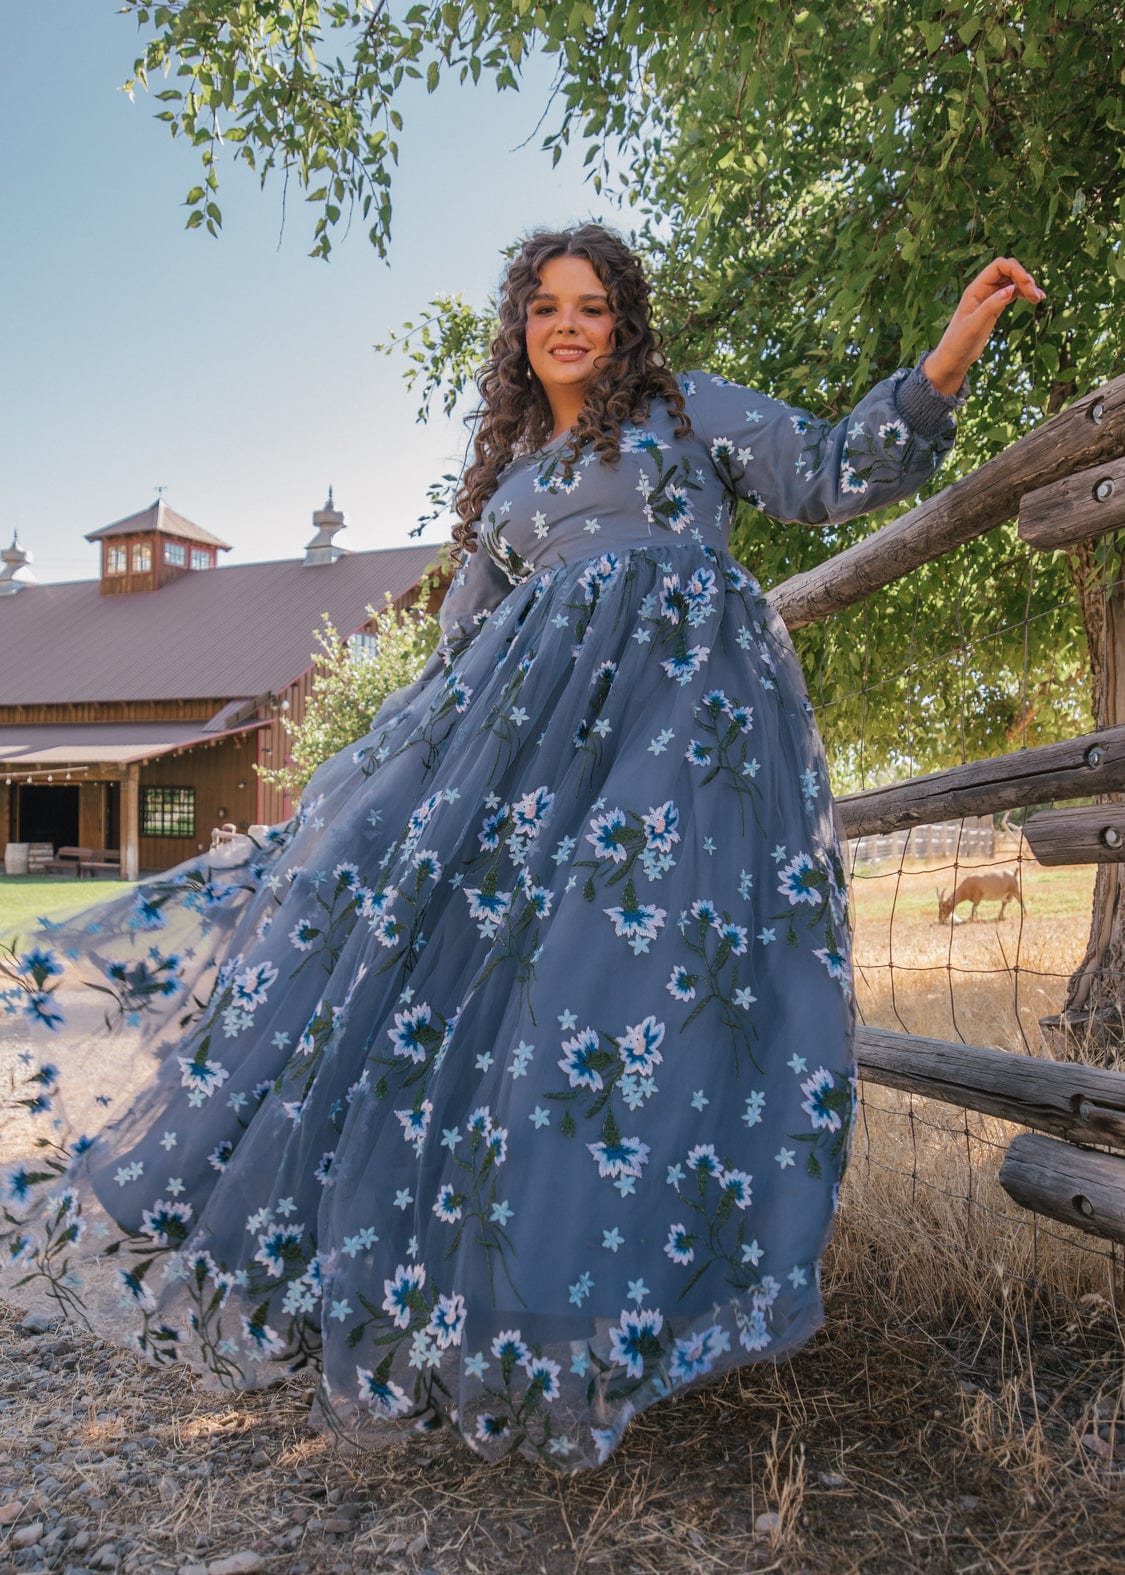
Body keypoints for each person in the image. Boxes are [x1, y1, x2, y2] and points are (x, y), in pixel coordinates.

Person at [0, 227, 1042, 1471]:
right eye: (546, 307)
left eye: (593, 306)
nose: (569, 325)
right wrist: (360, 793)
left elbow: (824, 474)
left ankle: (643, 1310)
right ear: (520, 332)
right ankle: (519, 1327)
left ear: (624, 326)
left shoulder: (684, 411)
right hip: (533, 786)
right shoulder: (505, 500)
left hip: (689, 753)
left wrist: (946, 359)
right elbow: (457, 670)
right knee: (541, 1024)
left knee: (665, 1006)